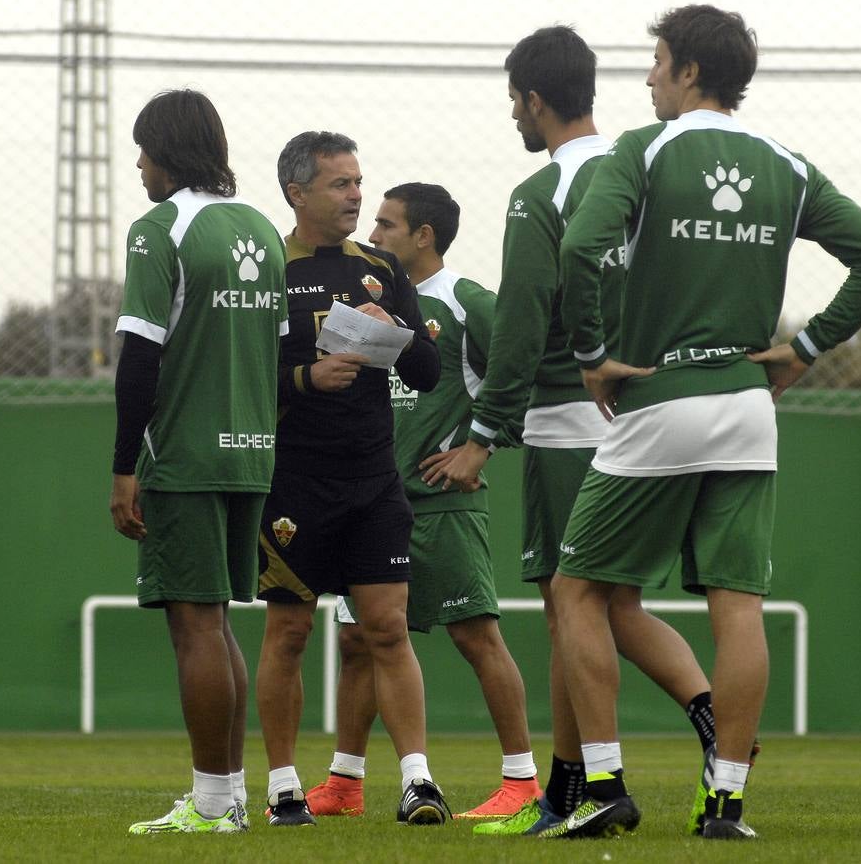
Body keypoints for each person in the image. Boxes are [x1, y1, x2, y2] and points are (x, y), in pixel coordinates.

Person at [550, 4, 861, 840]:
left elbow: (579, 250)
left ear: (686, 71)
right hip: (750, 409)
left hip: (661, 401)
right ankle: (726, 804)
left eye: (656, 62)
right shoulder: (787, 164)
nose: (646, 79)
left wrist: (592, 353)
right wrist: (804, 349)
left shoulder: (643, 151)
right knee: (737, 606)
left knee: (578, 592)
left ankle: (602, 786)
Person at [427, 25, 720, 838]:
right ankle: (584, 783)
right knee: (602, 606)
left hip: (566, 422)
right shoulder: (646, 176)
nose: (514, 117)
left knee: (575, 606)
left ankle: (600, 781)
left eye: (513, 102)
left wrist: (485, 431)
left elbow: (520, 323)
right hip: (657, 413)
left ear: (533, 99)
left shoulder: (541, 192)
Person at [300, 182, 542, 821]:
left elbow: (530, 378)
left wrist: (479, 448)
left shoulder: (465, 302)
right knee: (356, 642)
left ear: (423, 235)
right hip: (375, 504)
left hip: (441, 508)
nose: (372, 235)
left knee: (476, 637)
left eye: (386, 224)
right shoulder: (367, 296)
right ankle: (346, 786)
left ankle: (522, 783)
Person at [254, 132, 446, 827]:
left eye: (359, 182)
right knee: (291, 634)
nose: (356, 196)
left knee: (387, 629)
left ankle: (419, 784)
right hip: (294, 484)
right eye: (340, 184)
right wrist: (307, 376)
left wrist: (393, 324)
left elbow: (426, 374)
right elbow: (241, 383)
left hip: (373, 480)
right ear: (297, 192)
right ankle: (283, 789)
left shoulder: (383, 266)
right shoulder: (267, 268)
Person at [110, 89, 289, 835]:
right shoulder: (260, 229)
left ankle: (214, 803)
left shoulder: (161, 229)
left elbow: (139, 358)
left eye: (145, 150)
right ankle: (228, 798)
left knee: (193, 626)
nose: (140, 165)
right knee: (214, 627)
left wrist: (125, 465)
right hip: (252, 453)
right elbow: (279, 358)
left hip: (182, 455)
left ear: (170, 151)